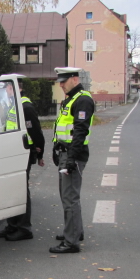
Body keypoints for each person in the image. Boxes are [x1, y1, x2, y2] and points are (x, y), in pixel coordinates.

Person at [49, 67, 95, 254]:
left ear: (74, 79)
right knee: (68, 196)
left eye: (64, 81)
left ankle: (71, 242)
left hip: (73, 155)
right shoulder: (71, 99)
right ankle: (76, 232)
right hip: (65, 153)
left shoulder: (83, 100)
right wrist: (55, 147)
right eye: (59, 81)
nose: (60, 84)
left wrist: (71, 159)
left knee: (70, 199)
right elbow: (63, 128)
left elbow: (79, 131)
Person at [0, 78, 45, 241]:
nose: (6, 92)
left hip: (23, 153)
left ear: (12, 88)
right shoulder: (14, 105)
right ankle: (12, 225)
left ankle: (24, 228)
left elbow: (35, 131)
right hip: (12, 153)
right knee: (11, 188)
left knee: (21, 189)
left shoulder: (25, 106)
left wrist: (40, 153)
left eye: (7, 89)